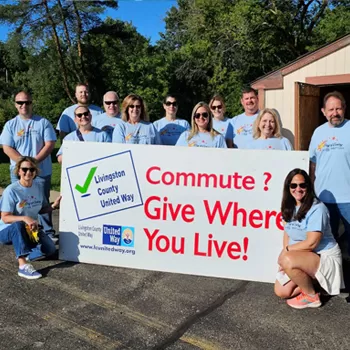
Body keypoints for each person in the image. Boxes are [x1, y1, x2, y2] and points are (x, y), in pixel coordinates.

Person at [275, 169, 343, 309]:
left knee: (287, 259)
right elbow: (287, 233)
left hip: (323, 256)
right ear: (288, 188)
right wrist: (285, 253)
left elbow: (312, 242)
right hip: (304, 256)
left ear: (309, 187)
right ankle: (317, 284)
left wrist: (286, 254)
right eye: (293, 185)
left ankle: (311, 296)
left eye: (302, 185)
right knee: (281, 291)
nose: (298, 189)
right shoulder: (289, 207)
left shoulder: (318, 208)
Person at [0, 91, 57, 237]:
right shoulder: (10, 125)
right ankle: (20, 235)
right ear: (15, 105)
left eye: (27, 102)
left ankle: (47, 233)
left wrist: (34, 163)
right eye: (20, 102)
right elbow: (7, 147)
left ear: (32, 103)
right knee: (19, 206)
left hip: (42, 171)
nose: (24, 105)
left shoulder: (43, 122)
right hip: (19, 173)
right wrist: (24, 165)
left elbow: (50, 144)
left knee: (42, 203)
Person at [0, 156, 60, 279]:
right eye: (24, 169)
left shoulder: (38, 187)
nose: (28, 172)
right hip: (6, 230)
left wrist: (53, 206)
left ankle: (27, 253)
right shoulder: (11, 190)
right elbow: (5, 218)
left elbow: (42, 209)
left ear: (35, 172)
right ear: (18, 171)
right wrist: (24, 218)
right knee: (18, 225)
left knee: (50, 250)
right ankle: (22, 265)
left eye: (32, 169)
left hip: (30, 229)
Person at [309, 91, 350, 252]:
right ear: (323, 111)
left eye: (338, 109)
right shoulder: (318, 132)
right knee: (327, 242)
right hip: (323, 198)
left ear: (344, 109)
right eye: (331, 110)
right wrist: (311, 190)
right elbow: (312, 163)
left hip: (348, 197)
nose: (335, 113)